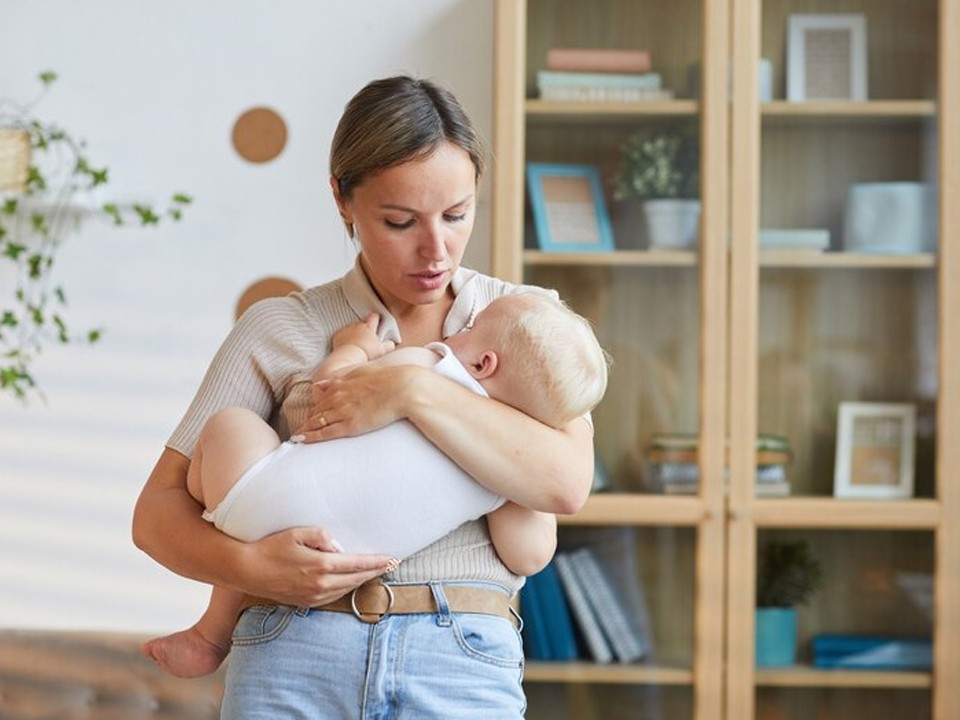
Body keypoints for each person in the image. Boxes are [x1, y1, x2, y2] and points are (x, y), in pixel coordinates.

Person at [132, 75, 599, 719]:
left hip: (459, 652)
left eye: (457, 215)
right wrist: (254, 568)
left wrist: (411, 389)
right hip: (291, 647)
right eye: (400, 221)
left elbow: (567, 483)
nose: (436, 249)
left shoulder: (528, 325)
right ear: (343, 201)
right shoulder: (280, 327)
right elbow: (155, 514)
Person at [141, 292, 608, 678]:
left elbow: (333, 383)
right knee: (253, 530)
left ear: (484, 362)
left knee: (229, 426)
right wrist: (509, 477)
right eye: (400, 221)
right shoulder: (501, 474)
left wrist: (356, 346)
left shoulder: (429, 364)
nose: (454, 333)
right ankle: (210, 632)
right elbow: (529, 554)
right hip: (336, 560)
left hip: (278, 517)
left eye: (469, 328)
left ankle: (210, 632)